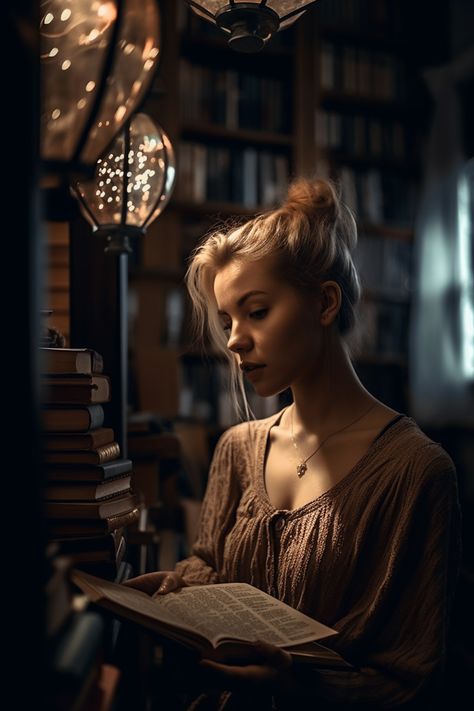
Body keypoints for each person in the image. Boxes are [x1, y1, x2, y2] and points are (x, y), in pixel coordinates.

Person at [125, 178, 461, 709]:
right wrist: (170, 591)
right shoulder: (236, 448)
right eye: (227, 319)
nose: (234, 339)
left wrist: (299, 686)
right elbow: (214, 573)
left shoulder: (416, 470)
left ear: (325, 303)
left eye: (256, 311)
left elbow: (415, 675)